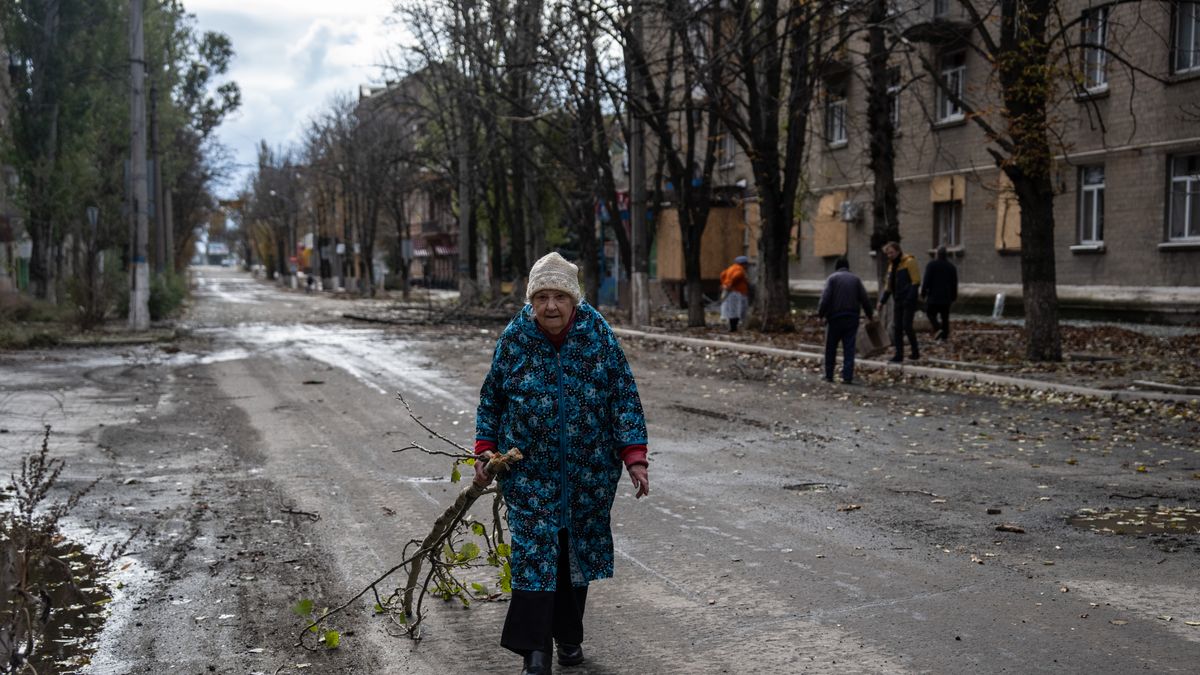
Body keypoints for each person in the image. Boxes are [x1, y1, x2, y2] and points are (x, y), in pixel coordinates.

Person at [474, 251, 651, 675]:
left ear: (574, 300)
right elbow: (492, 398)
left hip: (589, 472)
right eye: (541, 297)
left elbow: (624, 395)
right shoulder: (515, 338)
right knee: (535, 553)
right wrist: (485, 449)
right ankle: (536, 654)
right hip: (528, 470)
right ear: (530, 301)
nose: (550, 306)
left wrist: (635, 457)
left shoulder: (597, 335)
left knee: (575, 553)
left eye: (559, 297)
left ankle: (569, 637)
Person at [817, 257, 874, 384]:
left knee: (831, 347)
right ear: (848, 267)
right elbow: (865, 299)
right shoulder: (856, 279)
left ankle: (829, 375)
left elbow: (825, 298)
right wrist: (870, 315)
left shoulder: (832, 278)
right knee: (849, 348)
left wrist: (820, 315)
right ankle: (847, 377)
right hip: (852, 318)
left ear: (836, 267)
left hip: (834, 319)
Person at [876, 241, 921, 363]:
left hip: (908, 300)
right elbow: (888, 287)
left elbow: (916, 282)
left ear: (898, 251)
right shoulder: (891, 266)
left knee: (907, 326)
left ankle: (915, 351)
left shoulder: (909, 262)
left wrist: (909, 299)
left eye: (891, 252)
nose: (889, 255)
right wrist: (882, 302)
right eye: (887, 253)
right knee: (897, 327)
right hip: (898, 300)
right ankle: (899, 355)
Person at [921, 245, 958, 341]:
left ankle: (938, 328)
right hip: (946, 296)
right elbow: (954, 283)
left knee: (930, 313)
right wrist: (954, 296)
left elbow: (926, 280)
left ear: (937, 254)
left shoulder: (931, 265)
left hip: (934, 296)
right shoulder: (951, 267)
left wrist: (923, 293)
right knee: (945, 317)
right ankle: (944, 337)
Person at [719, 255, 751, 332]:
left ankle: (733, 326)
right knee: (736, 310)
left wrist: (724, 283)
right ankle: (733, 328)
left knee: (731, 309)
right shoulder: (739, 269)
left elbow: (722, 274)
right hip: (737, 292)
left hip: (731, 291)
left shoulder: (731, 268)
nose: (747, 266)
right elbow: (737, 276)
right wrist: (730, 284)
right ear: (743, 263)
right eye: (746, 264)